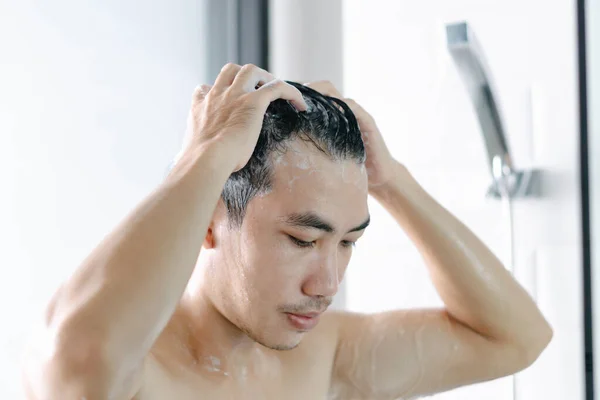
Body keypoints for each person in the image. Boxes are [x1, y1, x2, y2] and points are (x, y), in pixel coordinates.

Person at [22, 63, 553, 400]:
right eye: (302, 240)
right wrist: (204, 160)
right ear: (210, 222)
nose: (327, 283)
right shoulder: (139, 376)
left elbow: (517, 338)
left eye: (348, 242)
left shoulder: (327, 360)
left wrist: (392, 181)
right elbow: (80, 358)